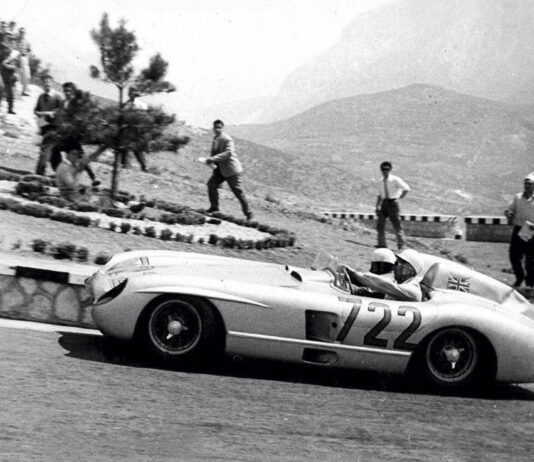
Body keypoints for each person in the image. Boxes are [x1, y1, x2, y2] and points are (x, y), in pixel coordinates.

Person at [206, 119, 252, 220]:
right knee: (211, 184)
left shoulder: (227, 139)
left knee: (238, 192)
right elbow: (214, 154)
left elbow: (228, 153)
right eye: (216, 127)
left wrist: (213, 159)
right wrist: (210, 161)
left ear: (222, 128)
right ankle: (214, 208)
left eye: (219, 127)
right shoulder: (215, 139)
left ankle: (249, 214)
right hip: (220, 170)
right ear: (213, 128)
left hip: (232, 170)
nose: (217, 129)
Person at [346, 249, 424, 302]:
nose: (394, 267)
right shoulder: (400, 284)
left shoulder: (413, 291)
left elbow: (385, 285)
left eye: (397, 264)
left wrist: (356, 274)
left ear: (407, 270)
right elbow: (374, 291)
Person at [504, 173, 534, 288]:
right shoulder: (518, 197)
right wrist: (509, 213)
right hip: (519, 229)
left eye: (529, 184)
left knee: (530, 259)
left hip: (532, 231)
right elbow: (510, 209)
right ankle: (519, 277)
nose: (527, 186)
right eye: (525, 183)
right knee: (514, 256)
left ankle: (530, 284)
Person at [376, 161, 411, 250]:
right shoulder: (380, 181)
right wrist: (377, 206)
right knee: (380, 224)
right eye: (383, 169)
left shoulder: (395, 180)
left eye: (387, 169)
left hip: (393, 203)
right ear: (381, 170)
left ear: (390, 170)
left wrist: (399, 198)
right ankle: (382, 244)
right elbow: (379, 195)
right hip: (384, 203)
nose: (385, 171)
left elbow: (406, 188)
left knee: (396, 225)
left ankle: (400, 245)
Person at [34, 75, 64, 175]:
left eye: (48, 82)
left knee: (45, 149)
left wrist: (51, 113)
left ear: (52, 83)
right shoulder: (41, 97)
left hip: (55, 127)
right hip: (45, 126)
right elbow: (37, 109)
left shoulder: (58, 96)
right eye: (45, 82)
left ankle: (39, 172)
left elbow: (62, 110)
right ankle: (60, 173)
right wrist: (39, 113)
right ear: (42, 84)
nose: (47, 84)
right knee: (54, 152)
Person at [55, 138, 87, 202]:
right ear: (67, 154)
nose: (75, 157)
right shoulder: (64, 167)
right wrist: (78, 172)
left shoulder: (71, 166)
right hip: (68, 197)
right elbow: (72, 186)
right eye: (74, 154)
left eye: (77, 155)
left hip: (72, 195)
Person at [0, 32, 19, 114]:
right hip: (2, 73)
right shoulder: (3, 50)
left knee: (10, 93)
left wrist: (10, 66)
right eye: (10, 40)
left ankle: (10, 109)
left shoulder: (15, 52)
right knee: (1, 90)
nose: (12, 42)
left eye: (13, 40)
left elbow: (15, 65)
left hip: (10, 74)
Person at [16, 27, 31, 96]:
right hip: (17, 57)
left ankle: (24, 91)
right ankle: (15, 92)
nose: (22, 33)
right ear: (19, 32)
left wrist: (28, 56)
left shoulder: (26, 41)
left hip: (24, 58)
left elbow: (29, 50)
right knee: (16, 75)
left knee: (26, 76)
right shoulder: (16, 40)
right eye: (21, 32)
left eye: (23, 32)